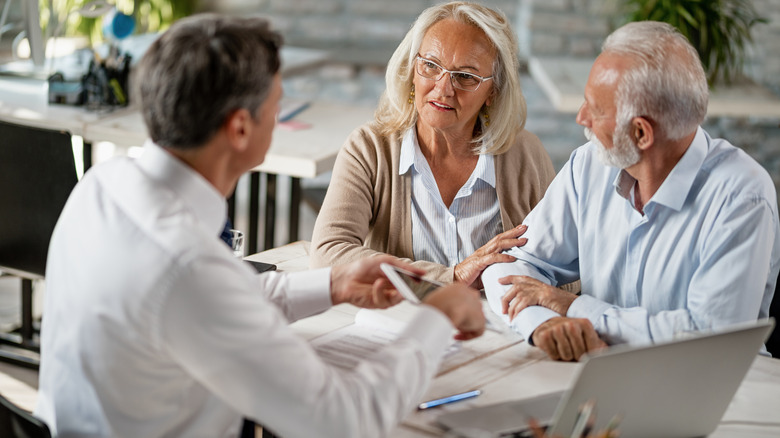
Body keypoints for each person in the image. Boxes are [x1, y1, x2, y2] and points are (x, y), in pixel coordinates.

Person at [34, 14, 486, 438]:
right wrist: (436, 319)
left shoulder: (101, 186)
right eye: (277, 105)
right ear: (240, 129)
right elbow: (344, 421)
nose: (280, 114)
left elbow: (217, 301)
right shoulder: (188, 263)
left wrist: (333, 284)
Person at [482, 20, 780, 362]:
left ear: (640, 134)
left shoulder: (742, 196)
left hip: (717, 393)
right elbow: (509, 262)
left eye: (594, 109)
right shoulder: (589, 165)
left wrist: (577, 308)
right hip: (600, 375)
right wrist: (543, 323)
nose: (581, 118)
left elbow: (710, 338)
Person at [310, 1, 556, 288]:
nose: (443, 88)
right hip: (401, 324)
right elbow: (328, 254)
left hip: (499, 328)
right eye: (430, 65)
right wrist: (450, 277)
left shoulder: (526, 155)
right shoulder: (370, 149)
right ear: (412, 69)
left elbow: (564, 268)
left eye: (465, 76)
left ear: (494, 91)